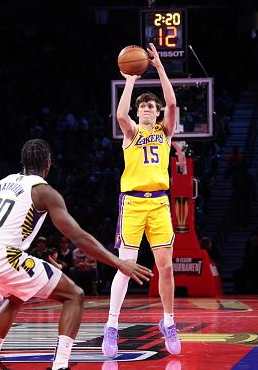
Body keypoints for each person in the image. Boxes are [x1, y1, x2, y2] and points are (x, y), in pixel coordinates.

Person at [0, 139, 152, 370]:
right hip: (2, 256)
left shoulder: (2, 183)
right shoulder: (45, 192)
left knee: (16, 297)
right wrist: (118, 263)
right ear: (48, 163)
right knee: (74, 295)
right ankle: (60, 365)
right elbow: (79, 237)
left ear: (23, 162)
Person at [102, 43, 181, 358]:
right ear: (139, 113)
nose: (148, 109)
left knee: (166, 267)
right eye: (144, 107)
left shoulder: (165, 133)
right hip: (133, 204)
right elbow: (120, 113)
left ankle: (169, 322)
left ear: (157, 112)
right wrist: (131, 77)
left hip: (160, 203)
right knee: (126, 266)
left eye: (152, 106)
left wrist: (159, 67)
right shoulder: (132, 133)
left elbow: (173, 101)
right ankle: (111, 326)